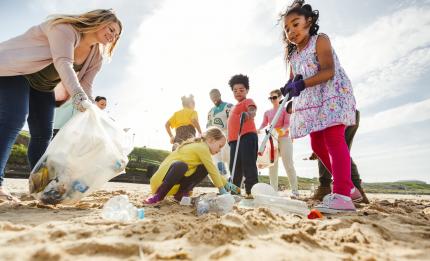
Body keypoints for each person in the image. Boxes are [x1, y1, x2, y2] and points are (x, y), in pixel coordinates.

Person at [0, 9, 122, 202]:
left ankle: (41, 186)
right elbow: (63, 62)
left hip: (42, 86)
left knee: (42, 134)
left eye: (117, 34)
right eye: (111, 29)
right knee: (13, 120)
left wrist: (94, 112)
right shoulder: (65, 29)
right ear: (99, 21)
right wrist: (79, 98)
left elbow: (86, 86)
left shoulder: (96, 55)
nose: (113, 35)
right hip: (14, 70)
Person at [280, 1, 359, 213]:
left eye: (295, 24)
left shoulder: (320, 40)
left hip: (333, 94)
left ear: (309, 21)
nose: (291, 31)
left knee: (334, 138)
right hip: (313, 102)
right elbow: (293, 78)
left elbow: (328, 71)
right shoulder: (294, 55)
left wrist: (301, 83)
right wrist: (288, 86)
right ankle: (349, 187)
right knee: (316, 144)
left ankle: (342, 193)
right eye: (287, 29)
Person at [144, 127, 238, 205]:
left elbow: (212, 170)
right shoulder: (202, 147)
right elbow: (213, 170)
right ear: (211, 140)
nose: (220, 150)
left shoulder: (202, 147)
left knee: (204, 167)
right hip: (161, 182)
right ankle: (158, 195)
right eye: (220, 146)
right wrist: (222, 189)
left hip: (174, 182)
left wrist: (227, 184)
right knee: (181, 166)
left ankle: (180, 194)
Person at [308, 110, 369, 203]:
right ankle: (352, 189)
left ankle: (333, 188)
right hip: (336, 110)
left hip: (337, 110)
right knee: (333, 149)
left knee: (334, 148)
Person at [259, 89, 298, 196]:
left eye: (274, 97)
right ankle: (273, 191)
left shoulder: (285, 110)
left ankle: (295, 190)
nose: (272, 100)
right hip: (272, 140)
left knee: (288, 164)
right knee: (272, 165)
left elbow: (287, 124)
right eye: (270, 98)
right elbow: (263, 124)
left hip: (284, 138)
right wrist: (258, 130)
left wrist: (280, 131)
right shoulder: (267, 112)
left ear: (280, 98)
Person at [227, 74, 259, 197]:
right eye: (235, 90)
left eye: (241, 90)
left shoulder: (248, 101)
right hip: (234, 140)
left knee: (248, 163)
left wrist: (249, 114)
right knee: (234, 167)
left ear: (247, 90)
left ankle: (251, 190)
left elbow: (252, 110)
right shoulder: (233, 107)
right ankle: (234, 190)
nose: (238, 93)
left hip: (247, 136)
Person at [207, 89, 233, 176]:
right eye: (211, 97)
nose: (214, 98)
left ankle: (234, 182)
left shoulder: (228, 106)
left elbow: (233, 121)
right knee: (217, 162)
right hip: (214, 139)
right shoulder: (210, 111)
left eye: (215, 96)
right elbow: (208, 126)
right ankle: (223, 183)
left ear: (220, 95)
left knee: (231, 161)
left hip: (226, 136)